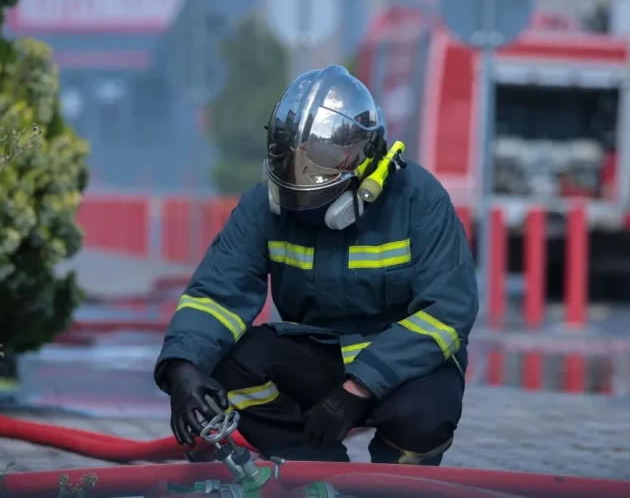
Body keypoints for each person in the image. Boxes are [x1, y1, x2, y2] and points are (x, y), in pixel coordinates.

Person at [153, 65, 478, 465]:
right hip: (319, 354)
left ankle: (395, 483)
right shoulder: (263, 206)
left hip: (404, 362)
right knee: (230, 365)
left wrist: (358, 389)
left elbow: (448, 312)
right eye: (293, 162)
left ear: (364, 161)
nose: (300, 185)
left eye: (320, 163)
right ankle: (310, 470)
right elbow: (217, 294)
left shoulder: (418, 200)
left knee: (425, 414)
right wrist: (183, 368)